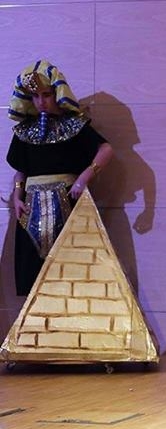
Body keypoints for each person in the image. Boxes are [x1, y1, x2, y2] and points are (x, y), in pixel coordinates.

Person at [6, 60, 114, 296]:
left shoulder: (74, 125)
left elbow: (106, 150)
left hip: (68, 203)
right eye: (35, 96)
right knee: (33, 274)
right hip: (31, 209)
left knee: (72, 271)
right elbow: (21, 169)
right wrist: (16, 196)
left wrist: (84, 178)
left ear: (58, 92)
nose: (41, 102)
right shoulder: (25, 130)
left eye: (46, 94)